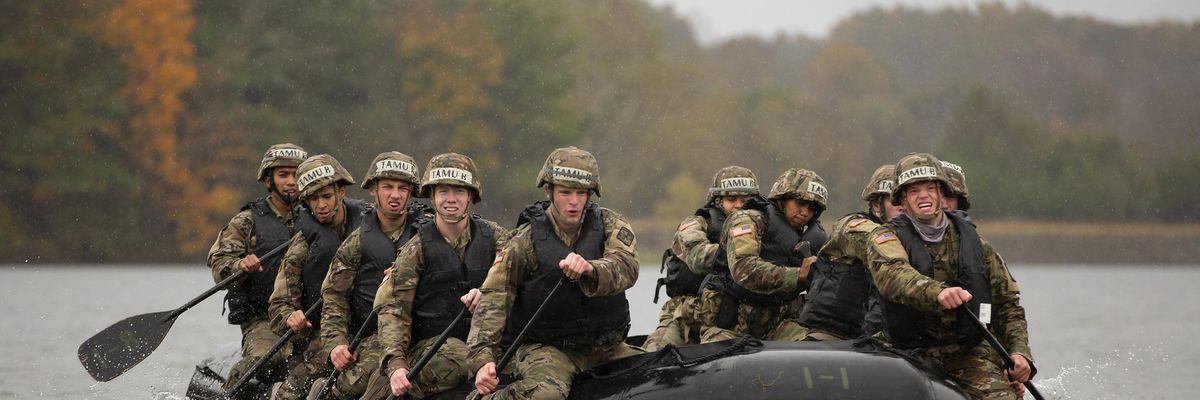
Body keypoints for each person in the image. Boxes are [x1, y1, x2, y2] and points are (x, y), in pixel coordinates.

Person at [468, 146, 642, 400]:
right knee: (546, 395)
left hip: (605, 346)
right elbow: (494, 299)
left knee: (660, 376)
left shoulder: (611, 225)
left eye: (581, 193)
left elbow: (627, 266)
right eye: (565, 192)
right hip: (548, 348)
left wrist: (591, 269)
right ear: (549, 191)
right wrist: (482, 359)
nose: (574, 201)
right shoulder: (523, 242)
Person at [866, 153, 1033, 399]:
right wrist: (938, 292)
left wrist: (1019, 353)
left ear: (941, 194)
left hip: (965, 351)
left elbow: (1007, 304)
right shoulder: (885, 238)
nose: (924, 195)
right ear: (902, 200)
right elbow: (894, 275)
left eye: (931, 188)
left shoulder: (975, 243)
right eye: (914, 191)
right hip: (906, 352)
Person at [373, 153, 509, 399]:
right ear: (432, 197)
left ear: (470, 197)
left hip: (486, 345)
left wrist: (487, 293)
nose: (451, 200)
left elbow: (517, 277)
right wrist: (395, 366)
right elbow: (393, 310)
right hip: (431, 348)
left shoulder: (496, 238)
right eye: (444, 191)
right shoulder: (416, 250)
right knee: (458, 355)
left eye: (459, 191)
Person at [311, 152, 428, 399]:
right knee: (373, 371)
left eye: (402, 188)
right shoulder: (357, 242)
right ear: (373, 190)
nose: (395, 195)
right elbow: (334, 298)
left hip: (422, 333)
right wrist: (336, 344)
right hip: (372, 336)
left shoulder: (430, 234)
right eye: (387, 187)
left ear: (411, 193)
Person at [206, 143, 307, 398]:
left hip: (309, 317)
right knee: (264, 360)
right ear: (268, 179)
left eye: (297, 174)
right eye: (284, 175)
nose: (291, 182)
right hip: (263, 319)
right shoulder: (247, 221)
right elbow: (220, 264)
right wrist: (239, 266)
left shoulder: (321, 215)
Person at [268, 154, 368, 400]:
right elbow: (278, 305)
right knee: (293, 391)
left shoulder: (372, 225)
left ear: (341, 192)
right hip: (321, 335)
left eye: (326, 196)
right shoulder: (301, 249)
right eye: (313, 199)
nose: (321, 204)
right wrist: (290, 318)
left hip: (368, 327)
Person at [695, 168, 828, 342]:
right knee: (721, 357)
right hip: (730, 325)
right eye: (800, 204)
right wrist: (797, 274)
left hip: (779, 324)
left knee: (819, 344)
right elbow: (744, 269)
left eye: (811, 208)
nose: (805, 212)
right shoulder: (747, 220)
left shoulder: (815, 238)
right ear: (782, 199)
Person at [774, 165, 903, 341]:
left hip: (873, 336)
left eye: (905, 199)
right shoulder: (855, 227)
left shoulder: (917, 237)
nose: (903, 206)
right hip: (833, 334)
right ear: (876, 204)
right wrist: (795, 274)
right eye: (895, 200)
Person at [643, 166, 759, 351]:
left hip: (729, 320)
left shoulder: (762, 228)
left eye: (745, 200)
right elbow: (698, 256)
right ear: (717, 201)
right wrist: (742, 255)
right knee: (654, 354)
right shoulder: (694, 224)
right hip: (685, 316)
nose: (739, 205)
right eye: (731, 199)